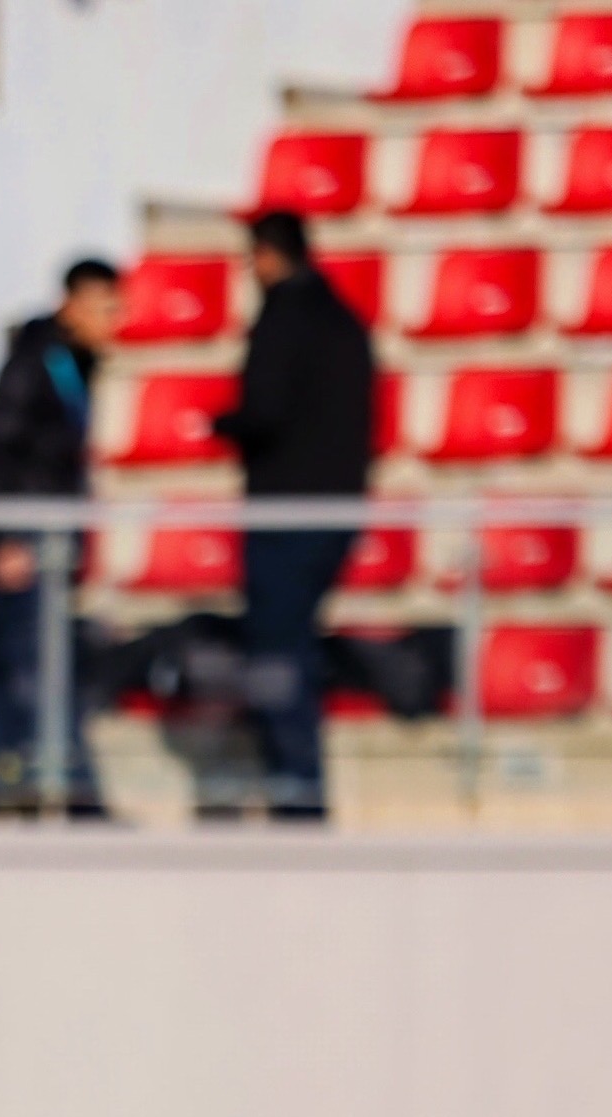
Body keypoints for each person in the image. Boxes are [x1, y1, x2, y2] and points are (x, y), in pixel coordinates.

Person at [215, 210, 378, 824]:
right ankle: (299, 783)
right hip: (338, 509)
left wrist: (223, 424)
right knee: (296, 645)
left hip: (286, 514)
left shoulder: (284, 319)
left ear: (267, 256)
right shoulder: (346, 323)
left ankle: (297, 787)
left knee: (278, 651)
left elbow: (265, 411)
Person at [0, 257, 121, 822]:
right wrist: (2, 540)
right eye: (101, 307)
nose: (110, 319)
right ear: (71, 304)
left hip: (49, 541)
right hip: (27, 540)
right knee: (37, 670)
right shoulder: (34, 364)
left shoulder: (71, 364)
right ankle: (80, 798)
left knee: (15, 672)